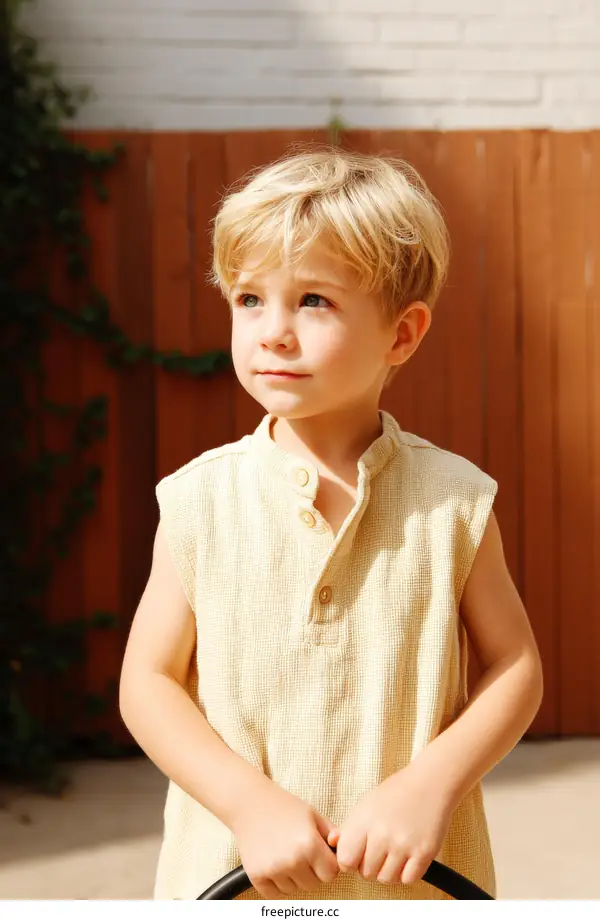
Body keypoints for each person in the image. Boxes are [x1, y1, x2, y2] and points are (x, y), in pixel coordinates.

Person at [118, 146, 543, 901]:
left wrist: (430, 786)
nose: (273, 331)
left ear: (402, 335)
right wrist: (249, 804)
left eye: (313, 301)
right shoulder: (198, 502)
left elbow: (515, 668)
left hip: (418, 891)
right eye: (250, 299)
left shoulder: (454, 501)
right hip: (233, 883)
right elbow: (148, 683)